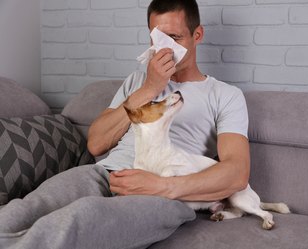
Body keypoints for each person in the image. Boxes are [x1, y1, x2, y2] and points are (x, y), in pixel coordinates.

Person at [0, 0, 250, 248]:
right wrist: (149, 88)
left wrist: (163, 186)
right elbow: (97, 144)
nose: (166, 48)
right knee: (21, 211)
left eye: (174, 37)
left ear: (197, 35)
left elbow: (237, 173)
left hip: (160, 191)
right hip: (105, 174)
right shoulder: (137, 82)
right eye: (158, 39)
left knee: (77, 221)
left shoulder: (225, 95)